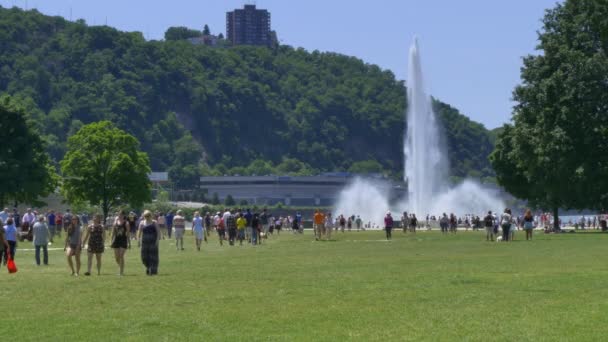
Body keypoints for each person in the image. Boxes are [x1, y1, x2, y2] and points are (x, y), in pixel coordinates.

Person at [137, 210, 161, 275]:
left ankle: (153, 270)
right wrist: (138, 240)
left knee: (153, 256)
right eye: (145, 216)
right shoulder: (142, 223)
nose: (147, 217)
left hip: (153, 242)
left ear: (151, 216)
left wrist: (157, 241)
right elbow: (139, 232)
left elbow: (158, 232)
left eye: (148, 216)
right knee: (144, 256)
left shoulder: (154, 222)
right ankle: (148, 267)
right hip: (144, 242)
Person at [111, 210, 130, 276]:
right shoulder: (115, 222)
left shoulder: (126, 223)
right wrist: (111, 240)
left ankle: (121, 272)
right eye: (119, 214)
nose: (120, 216)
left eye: (121, 214)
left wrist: (129, 243)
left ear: (124, 215)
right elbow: (113, 232)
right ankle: (121, 266)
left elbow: (128, 233)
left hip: (123, 240)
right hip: (116, 240)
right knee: (116, 257)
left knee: (121, 256)